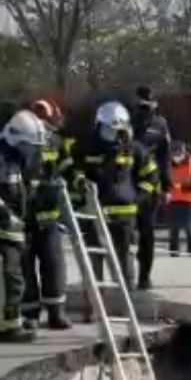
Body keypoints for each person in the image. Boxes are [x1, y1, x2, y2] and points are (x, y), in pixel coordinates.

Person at [71, 101, 160, 289]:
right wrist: (80, 184)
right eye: (109, 130)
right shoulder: (87, 148)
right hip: (95, 213)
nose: (114, 135)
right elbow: (75, 170)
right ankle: (94, 305)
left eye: (118, 130)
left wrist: (140, 197)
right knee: (94, 259)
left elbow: (151, 174)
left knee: (125, 258)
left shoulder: (135, 149)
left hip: (124, 216)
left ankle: (127, 298)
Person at [0, 110, 46, 343]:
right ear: (16, 139)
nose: (31, 150)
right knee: (11, 278)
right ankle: (8, 326)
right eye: (28, 145)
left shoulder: (15, 158)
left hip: (11, 229)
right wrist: (6, 214)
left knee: (1, 279)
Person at [21, 98, 73, 331]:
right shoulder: (20, 140)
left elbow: (67, 170)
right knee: (24, 268)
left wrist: (74, 183)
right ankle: (30, 314)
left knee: (54, 265)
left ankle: (56, 313)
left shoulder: (56, 142)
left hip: (49, 216)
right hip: (23, 216)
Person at [131, 85, 172, 290]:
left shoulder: (160, 124)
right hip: (126, 184)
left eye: (149, 104)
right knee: (126, 231)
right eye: (142, 104)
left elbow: (165, 158)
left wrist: (167, 187)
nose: (146, 108)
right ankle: (125, 274)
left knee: (147, 233)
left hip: (150, 186)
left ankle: (144, 277)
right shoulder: (129, 120)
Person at [167, 140, 191, 257]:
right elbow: (165, 181)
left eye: (178, 155)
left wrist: (182, 186)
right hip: (174, 200)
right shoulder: (168, 165)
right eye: (174, 155)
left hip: (190, 201)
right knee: (173, 229)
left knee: (189, 228)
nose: (176, 158)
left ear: (183, 153)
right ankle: (174, 252)